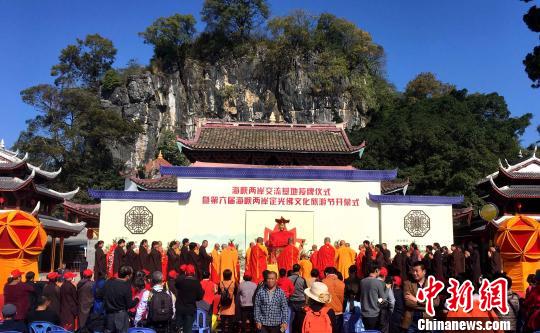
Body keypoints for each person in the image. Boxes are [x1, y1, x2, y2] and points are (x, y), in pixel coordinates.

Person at [401, 261, 438, 333]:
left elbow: (436, 303)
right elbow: (408, 303)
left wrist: (416, 300)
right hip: (412, 321)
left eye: (416, 271)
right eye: (413, 271)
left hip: (427, 320)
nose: (414, 273)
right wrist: (428, 305)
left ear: (424, 272)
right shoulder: (407, 283)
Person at [103, 265, 139, 333]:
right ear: (127, 276)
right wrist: (137, 299)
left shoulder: (108, 282)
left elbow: (101, 295)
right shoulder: (126, 286)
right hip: (121, 316)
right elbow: (129, 305)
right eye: (131, 274)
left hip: (109, 315)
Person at [175, 264, 204, 333]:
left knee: (178, 329)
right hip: (190, 309)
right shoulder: (196, 283)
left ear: (185, 273)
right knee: (188, 330)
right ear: (194, 272)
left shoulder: (181, 282)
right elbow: (200, 297)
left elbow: (176, 282)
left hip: (180, 309)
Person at [360, 262, 386, 330]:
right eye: (379, 270)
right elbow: (382, 299)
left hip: (363, 314)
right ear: (376, 270)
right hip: (374, 314)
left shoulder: (362, 281)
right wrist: (378, 301)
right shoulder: (378, 283)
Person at [322, 267, 345, 333]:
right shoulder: (341, 283)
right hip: (338, 311)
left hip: (326, 311)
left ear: (326, 273)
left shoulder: (323, 282)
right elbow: (343, 299)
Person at [288, 264, 307, 333]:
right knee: (300, 319)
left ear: (293, 269)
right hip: (300, 301)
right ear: (299, 270)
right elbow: (305, 291)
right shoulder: (302, 279)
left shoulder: (288, 279)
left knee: (291, 319)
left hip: (291, 301)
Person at [219, 269, 237, 333]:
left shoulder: (220, 283)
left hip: (223, 303)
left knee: (223, 322)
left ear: (223, 275)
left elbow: (219, 292)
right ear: (230, 275)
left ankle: (223, 331)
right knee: (230, 322)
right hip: (231, 303)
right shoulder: (233, 283)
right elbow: (236, 292)